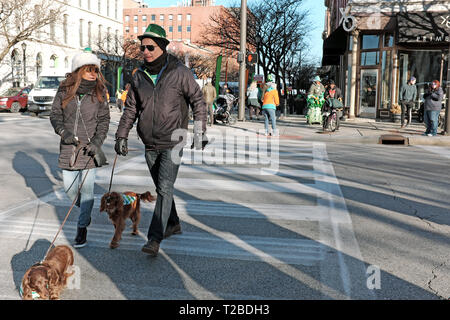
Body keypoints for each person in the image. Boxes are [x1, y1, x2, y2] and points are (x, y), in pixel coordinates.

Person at [114, 23, 207, 257]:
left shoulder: (179, 72)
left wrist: (200, 130)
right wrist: (121, 135)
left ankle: (154, 238)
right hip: (150, 142)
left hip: (174, 140)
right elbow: (131, 109)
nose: (145, 51)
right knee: (162, 188)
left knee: (164, 188)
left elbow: (198, 100)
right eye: (142, 47)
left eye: (150, 47)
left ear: (163, 47)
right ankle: (173, 222)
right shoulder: (139, 76)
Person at [50, 48, 110, 248]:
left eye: (96, 70)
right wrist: (63, 133)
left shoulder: (99, 92)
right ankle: (85, 211)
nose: (94, 73)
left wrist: (97, 142)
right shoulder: (64, 90)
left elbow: (104, 121)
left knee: (87, 190)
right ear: (79, 70)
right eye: (89, 69)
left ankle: (82, 227)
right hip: (68, 147)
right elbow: (55, 115)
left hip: (88, 149)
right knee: (69, 189)